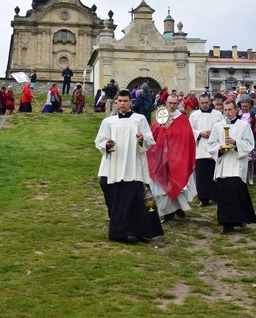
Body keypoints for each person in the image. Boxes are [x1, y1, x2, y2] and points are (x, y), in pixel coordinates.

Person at [95, 89, 163, 243]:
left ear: (130, 102)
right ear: (116, 102)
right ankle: (122, 231)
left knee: (136, 199)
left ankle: (138, 231)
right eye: (119, 101)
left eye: (126, 101)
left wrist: (141, 138)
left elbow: (149, 139)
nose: (122, 104)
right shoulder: (108, 122)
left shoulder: (139, 119)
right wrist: (107, 144)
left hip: (134, 165)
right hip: (115, 165)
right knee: (117, 197)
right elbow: (100, 141)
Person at [207, 99, 256, 234]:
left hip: (237, 163)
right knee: (224, 194)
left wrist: (235, 143)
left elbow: (249, 144)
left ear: (236, 109)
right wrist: (220, 149)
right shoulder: (218, 126)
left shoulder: (244, 125)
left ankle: (240, 219)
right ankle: (226, 223)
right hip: (224, 164)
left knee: (236, 191)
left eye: (230, 110)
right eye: (225, 110)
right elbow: (211, 144)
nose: (228, 113)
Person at [147, 94, 197, 224]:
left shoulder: (182, 119)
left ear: (178, 103)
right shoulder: (160, 117)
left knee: (177, 182)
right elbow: (153, 135)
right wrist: (162, 132)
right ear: (166, 102)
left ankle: (177, 208)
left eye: (174, 103)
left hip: (177, 157)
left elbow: (187, 137)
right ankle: (169, 212)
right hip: (160, 157)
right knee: (162, 184)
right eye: (169, 103)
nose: (172, 105)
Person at [189, 94, 224, 207]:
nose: (204, 105)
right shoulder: (194, 115)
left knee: (215, 174)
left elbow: (223, 128)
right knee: (202, 176)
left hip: (214, 149)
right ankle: (203, 198)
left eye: (206, 102)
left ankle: (217, 196)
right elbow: (189, 131)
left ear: (210, 101)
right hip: (200, 148)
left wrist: (214, 134)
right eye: (202, 103)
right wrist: (200, 133)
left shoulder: (218, 114)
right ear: (199, 103)